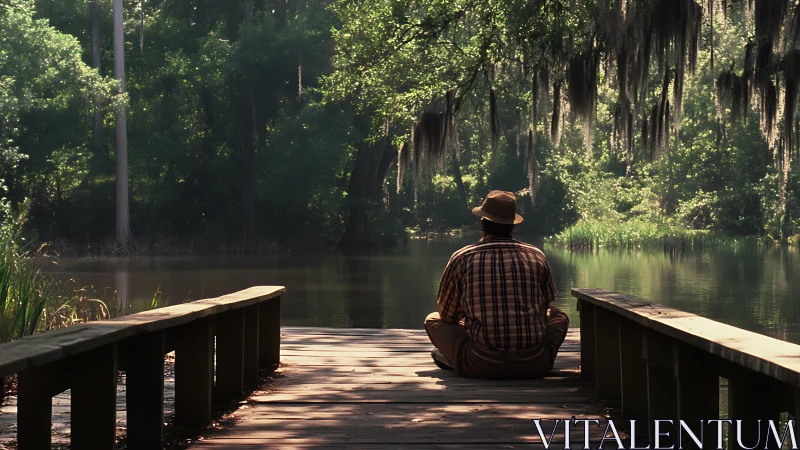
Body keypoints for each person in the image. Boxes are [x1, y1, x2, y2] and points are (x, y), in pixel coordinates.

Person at [424, 190, 569, 379]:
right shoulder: (535, 255)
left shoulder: (463, 257)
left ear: (483, 222)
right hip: (533, 362)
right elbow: (545, 306)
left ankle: (455, 358)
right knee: (559, 315)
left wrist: (469, 320)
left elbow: (448, 315)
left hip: (481, 362)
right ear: (512, 226)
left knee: (433, 319)